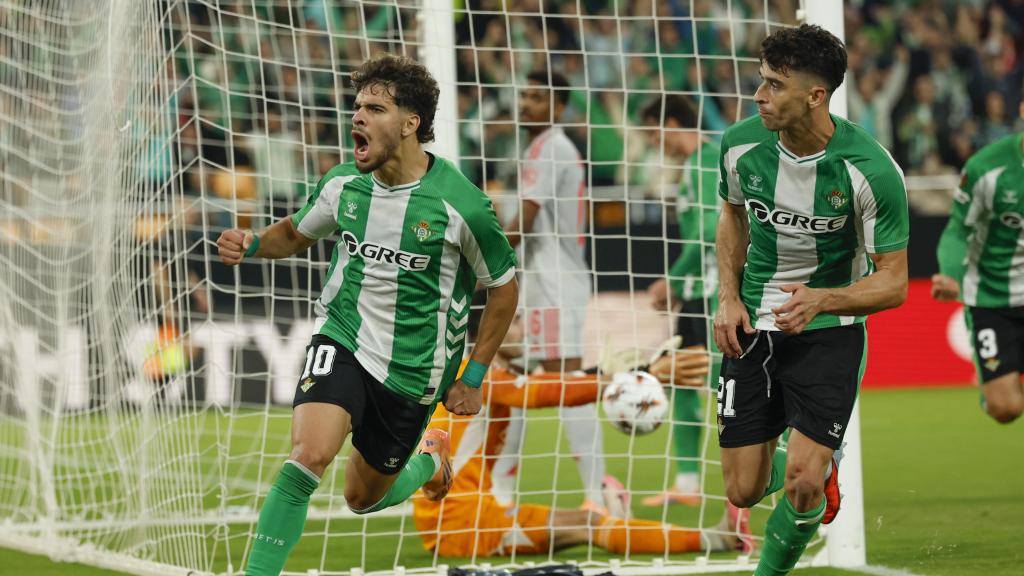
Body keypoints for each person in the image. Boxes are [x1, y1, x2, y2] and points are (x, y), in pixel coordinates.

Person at [216, 54, 519, 576]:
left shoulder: (462, 207)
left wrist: (472, 375)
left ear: (410, 124)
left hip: (415, 369)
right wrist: (252, 243)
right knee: (308, 456)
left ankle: (429, 463)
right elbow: (294, 234)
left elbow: (505, 289)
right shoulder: (343, 185)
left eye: (374, 108)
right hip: (344, 337)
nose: (357, 116)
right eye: (356, 106)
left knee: (361, 497)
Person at [713, 25, 909, 576]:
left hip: (830, 330)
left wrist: (824, 299)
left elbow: (893, 281)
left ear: (815, 95)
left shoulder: (870, 170)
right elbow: (730, 214)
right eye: (761, 80)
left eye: (775, 84)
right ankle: (816, 464)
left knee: (799, 484)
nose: (759, 95)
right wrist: (728, 296)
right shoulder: (739, 146)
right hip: (751, 323)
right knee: (743, 489)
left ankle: (803, 491)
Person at [412, 293, 752, 558]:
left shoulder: (486, 374)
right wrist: (641, 375)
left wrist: (641, 369)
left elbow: (551, 382)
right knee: (590, 524)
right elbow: (543, 391)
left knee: (589, 520)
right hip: (459, 526)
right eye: (514, 320)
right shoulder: (473, 376)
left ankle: (719, 536)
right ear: (492, 325)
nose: (525, 327)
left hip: (477, 513)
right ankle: (716, 537)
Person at [494, 69, 612, 512]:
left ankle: (597, 494)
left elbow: (525, 218)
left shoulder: (550, 148)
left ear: (558, 107)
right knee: (512, 376)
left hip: (556, 282)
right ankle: (500, 492)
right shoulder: (539, 147)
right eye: (523, 95)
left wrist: (488, 265)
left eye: (536, 97)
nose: (525, 104)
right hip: (541, 282)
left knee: (565, 381)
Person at [641, 93, 721, 507]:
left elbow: (709, 229)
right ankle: (688, 483)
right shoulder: (701, 161)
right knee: (683, 379)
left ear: (670, 123)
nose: (654, 143)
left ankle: (770, 466)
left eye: (653, 133)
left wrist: (672, 280)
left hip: (712, 292)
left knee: (721, 383)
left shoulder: (703, 161)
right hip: (699, 290)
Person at [932, 130, 1024, 424]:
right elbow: (958, 228)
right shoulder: (987, 168)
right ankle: (994, 390)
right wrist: (949, 275)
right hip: (991, 297)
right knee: (1005, 409)